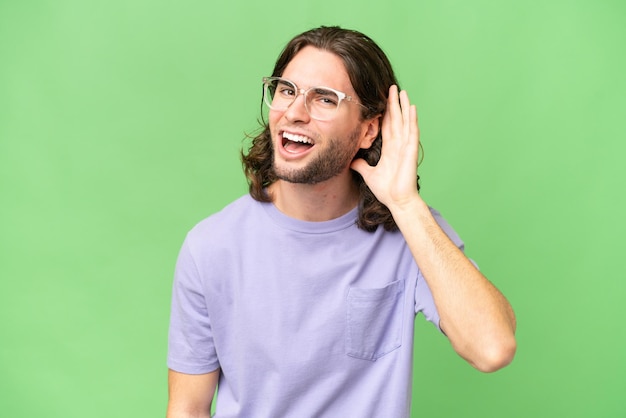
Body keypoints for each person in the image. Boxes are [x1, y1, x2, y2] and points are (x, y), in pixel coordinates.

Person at [166, 26, 516, 418]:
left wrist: (405, 204)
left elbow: (492, 347)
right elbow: (187, 410)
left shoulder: (411, 233)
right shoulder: (211, 246)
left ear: (368, 130)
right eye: (286, 90)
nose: (294, 113)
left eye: (325, 99)